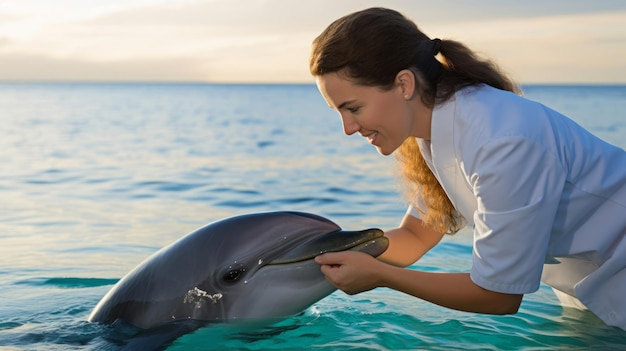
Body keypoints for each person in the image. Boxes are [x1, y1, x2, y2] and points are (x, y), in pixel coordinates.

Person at [310, 7, 626, 330]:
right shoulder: (432, 131)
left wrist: (381, 277)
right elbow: (414, 236)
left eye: (353, 108)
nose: (347, 128)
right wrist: (323, 254)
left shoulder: (500, 141)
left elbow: (499, 296)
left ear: (404, 84)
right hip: (593, 291)